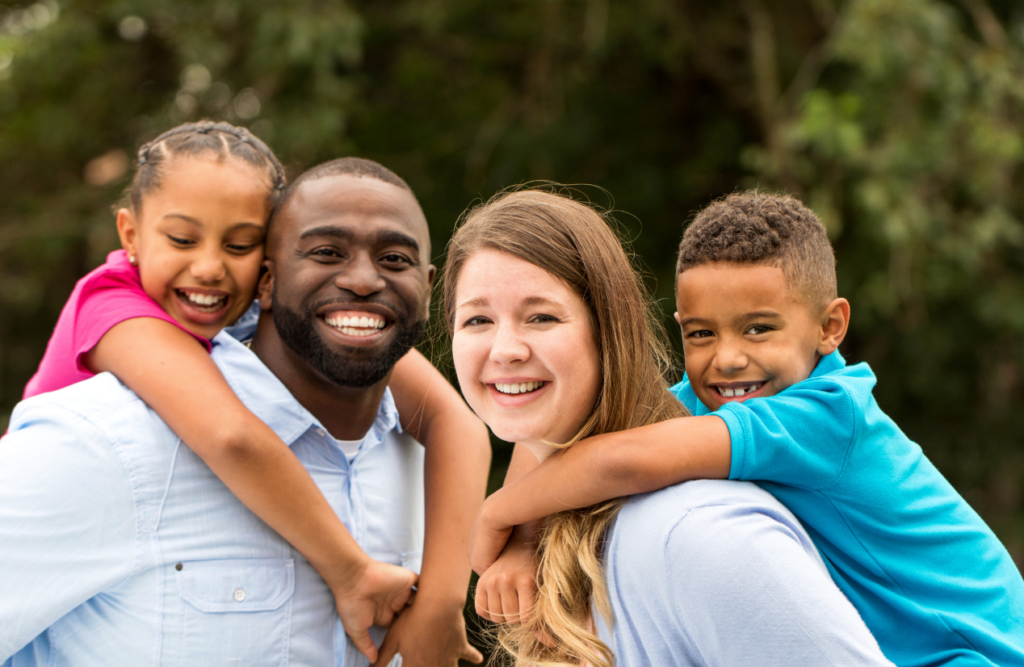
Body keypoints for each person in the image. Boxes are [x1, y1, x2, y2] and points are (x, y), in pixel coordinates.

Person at [469, 192, 1024, 666]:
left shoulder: (828, 414)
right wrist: (524, 542)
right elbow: (571, 442)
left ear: (830, 327)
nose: (727, 360)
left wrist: (499, 513)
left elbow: (621, 461)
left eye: (758, 329)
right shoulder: (708, 403)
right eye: (703, 335)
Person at [17, 123, 487, 663]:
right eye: (182, 239)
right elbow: (230, 435)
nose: (211, 267)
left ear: (263, 268)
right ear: (129, 235)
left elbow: (458, 422)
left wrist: (441, 602)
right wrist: (350, 570)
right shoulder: (116, 320)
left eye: (238, 244)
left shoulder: (297, 337)